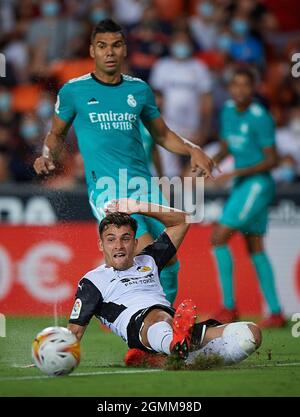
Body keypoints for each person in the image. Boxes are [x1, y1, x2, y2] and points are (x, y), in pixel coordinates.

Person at [33, 18, 215, 305]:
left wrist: (193, 149)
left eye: (116, 45)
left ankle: (160, 332)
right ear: (92, 50)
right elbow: (56, 135)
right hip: (107, 190)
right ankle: (143, 332)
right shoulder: (73, 91)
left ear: (124, 50)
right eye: (102, 46)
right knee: (145, 259)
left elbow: (163, 135)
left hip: (144, 187)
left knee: (170, 265)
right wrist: (47, 156)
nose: (109, 52)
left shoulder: (139, 90)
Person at [68, 198, 262, 368]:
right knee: (159, 316)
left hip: (173, 326)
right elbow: (74, 333)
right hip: (140, 327)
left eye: (125, 238)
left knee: (251, 335)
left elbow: (182, 221)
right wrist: (56, 358)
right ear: (101, 245)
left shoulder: (149, 259)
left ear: (135, 244)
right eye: (111, 240)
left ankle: (168, 356)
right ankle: (174, 346)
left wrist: (137, 206)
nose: (118, 245)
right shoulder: (91, 281)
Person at [211, 67, 285, 328]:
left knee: (219, 236)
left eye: (245, 85)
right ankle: (276, 312)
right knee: (254, 245)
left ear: (253, 89)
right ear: (230, 88)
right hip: (243, 183)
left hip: (257, 184)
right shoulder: (228, 111)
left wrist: (235, 172)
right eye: (236, 85)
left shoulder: (260, 117)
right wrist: (210, 163)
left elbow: (272, 160)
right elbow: (225, 146)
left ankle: (229, 308)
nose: (240, 90)